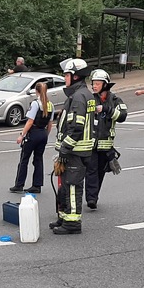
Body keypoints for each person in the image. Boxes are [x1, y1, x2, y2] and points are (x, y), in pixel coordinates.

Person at [50, 58, 96, 235]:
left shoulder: (78, 97)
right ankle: (63, 217)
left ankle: (72, 223)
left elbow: (76, 127)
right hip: (76, 150)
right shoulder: (82, 94)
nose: (64, 77)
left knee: (72, 187)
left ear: (75, 76)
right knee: (64, 186)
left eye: (66, 74)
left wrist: (64, 149)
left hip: (75, 151)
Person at [85, 69, 128, 209]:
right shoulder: (90, 99)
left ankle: (94, 195)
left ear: (105, 85)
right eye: (93, 83)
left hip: (106, 145)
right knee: (90, 170)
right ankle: (91, 199)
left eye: (97, 83)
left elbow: (123, 116)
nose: (94, 86)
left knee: (100, 172)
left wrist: (106, 109)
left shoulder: (115, 100)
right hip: (91, 144)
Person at [9, 82, 55, 194]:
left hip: (33, 134)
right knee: (38, 160)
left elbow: (30, 121)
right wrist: (46, 135)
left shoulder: (35, 104)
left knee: (24, 159)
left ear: (36, 91)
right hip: (43, 134)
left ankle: (19, 185)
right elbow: (50, 123)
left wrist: (22, 135)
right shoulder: (51, 105)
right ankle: (37, 185)